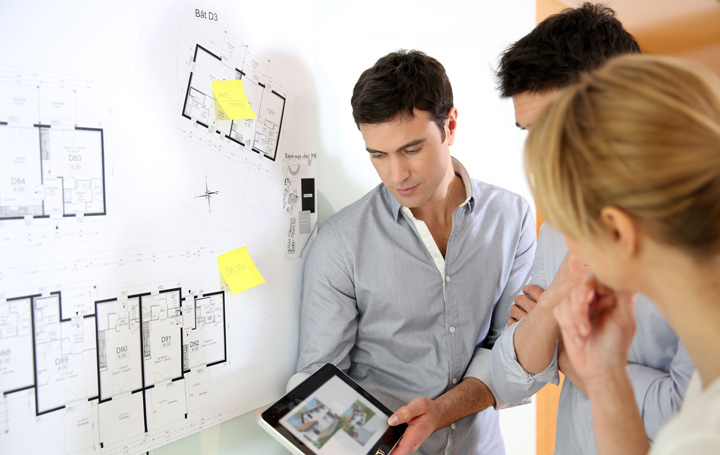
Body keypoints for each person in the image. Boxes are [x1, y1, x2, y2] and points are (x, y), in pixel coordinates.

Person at [288, 50, 536, 455]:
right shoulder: (340, 243)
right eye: (378, 155)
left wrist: (442, 411)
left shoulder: (512, 217)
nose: (396, 174)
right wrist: (307, 417)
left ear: (449, 126)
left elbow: (509, 348)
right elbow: (321, 376)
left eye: (412, 149)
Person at [490, 3, 694, 454]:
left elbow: (688, 412)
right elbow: (507, 379)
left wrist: (568, 358)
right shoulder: (559, 228)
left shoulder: (698, 230)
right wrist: (550, 308)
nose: (540, 159)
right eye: (530, 134)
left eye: (555, 128)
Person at [525, 53, 720, 454]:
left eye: (568, 224)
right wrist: (605, 375)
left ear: (617, 231)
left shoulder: (701, 437)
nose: (566, 243)